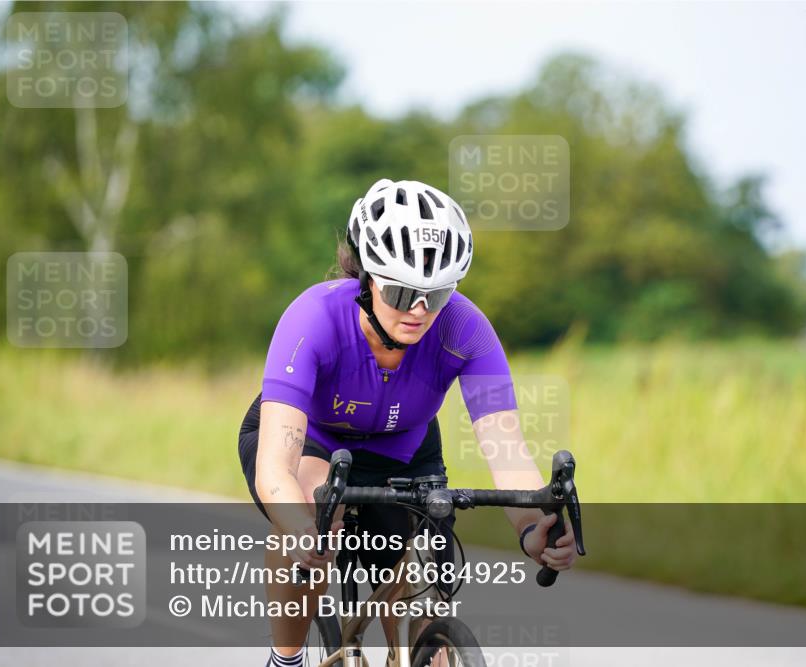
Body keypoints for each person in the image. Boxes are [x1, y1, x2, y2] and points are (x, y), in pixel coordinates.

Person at [238, 179, 579, 666]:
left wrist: (532, 526)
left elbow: (505, 448)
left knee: (426, 589)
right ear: (367, 279)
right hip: (311, 439)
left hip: (404, 448)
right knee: (316, 514)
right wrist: (299, 529)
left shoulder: (466, 328)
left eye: (437, 294)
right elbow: (275, 469)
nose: (419, 310)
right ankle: (285, 658)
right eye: (401, 292)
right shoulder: (313, 318)